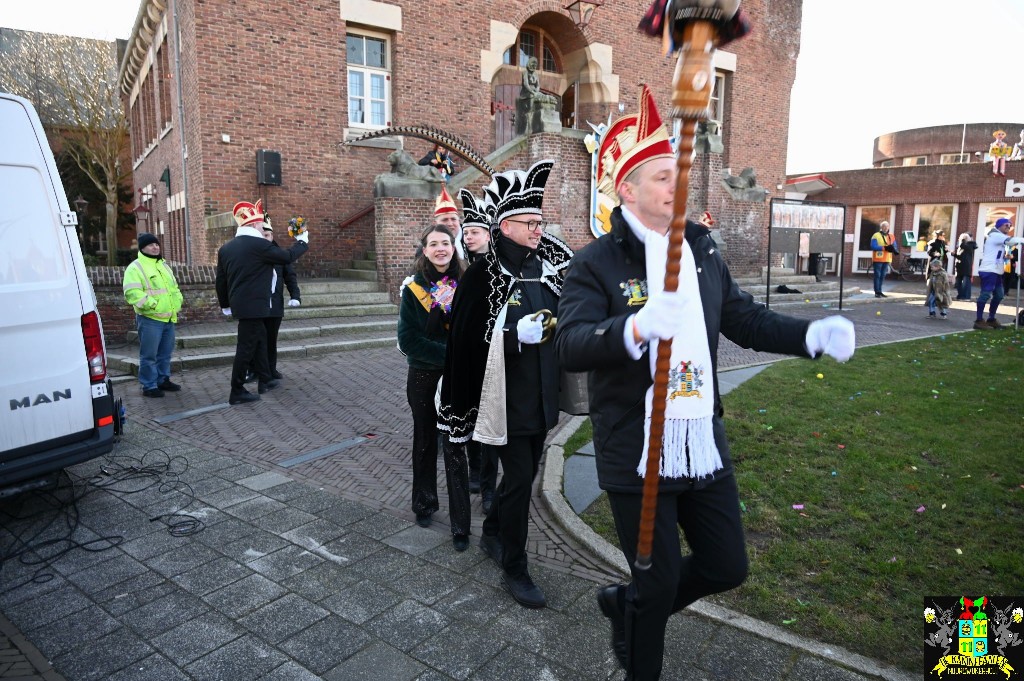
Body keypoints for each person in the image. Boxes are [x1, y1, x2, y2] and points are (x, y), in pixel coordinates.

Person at [553, 85, 856, 680]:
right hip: (636, 450)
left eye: (679, 174)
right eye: (663, 176)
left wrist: (810, 335)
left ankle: (628, 605)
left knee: (726, 566)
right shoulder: (596, 263)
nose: (677, 186)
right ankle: (642, 633)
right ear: (629, 189)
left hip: (700, 440)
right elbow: (570, 345)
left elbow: (743, 318)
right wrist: (633, 328)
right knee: (659, 581)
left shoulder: (700, 248)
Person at [438, 159, 574, 609]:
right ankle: (515, 567)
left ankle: (493, 530)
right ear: (506, 225)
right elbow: (465, 340)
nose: (538, 229)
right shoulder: (482, 274)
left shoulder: (546, 266)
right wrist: (515, 337)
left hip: (540, 395)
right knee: (519, 481)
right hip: (503, 399)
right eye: (529, 222)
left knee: (524, 476)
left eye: (540, 222)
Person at [396, 224, 470, 551]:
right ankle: (424, 504)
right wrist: (451, 355)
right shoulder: (413, 289)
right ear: (424, 250)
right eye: (433, 244)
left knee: (455, 447)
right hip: (424, 377)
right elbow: (408, 340)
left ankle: (461, 525)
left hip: (457, 378)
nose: (440, 249)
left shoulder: (467, 284)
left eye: (446, 243)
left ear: (453, 248)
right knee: (425, 442)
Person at [216, 199, 309, 404]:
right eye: (260, 224)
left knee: (258, 342)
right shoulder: (258, 245)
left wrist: (225, 305)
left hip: (242, 305)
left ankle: (265, 379)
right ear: (252, 225)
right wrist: (302, 241)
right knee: (246, 347)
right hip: (256, 306)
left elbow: (221, 281)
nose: (262, 227)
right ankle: (237, 390)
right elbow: (287, 256)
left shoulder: (226, 248)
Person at [458, 187, 499, 513]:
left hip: (493, 353)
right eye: (465, 232)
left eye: (474, 232)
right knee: (471, 415)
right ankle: (475, 471)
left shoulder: (499, 267)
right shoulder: (461, 267)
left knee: (490, 420)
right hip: (466, 354)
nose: (468, 237)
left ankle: (488, 482)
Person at [122, 233, 183, 397]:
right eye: (151, 245)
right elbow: (132, 293)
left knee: (165, 354)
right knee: (149, 355)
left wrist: (178, 302)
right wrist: (152, 305)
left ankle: (163, 380)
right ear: (142, 248)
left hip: (169, 317)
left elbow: (174, 288)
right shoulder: (135, 268)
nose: (155, 247)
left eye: (156, 244)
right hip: (150, 319)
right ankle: (149, 386)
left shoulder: (164, 265)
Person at [246, 223, 301, 381]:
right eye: (262, 235)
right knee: (254, 339)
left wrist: (295, 296)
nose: (265, 238)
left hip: (274, 305)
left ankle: (271, 369)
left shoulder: (280, 255)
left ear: (272, 236)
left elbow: (290, 277)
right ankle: (253, 370)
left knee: (271, 339)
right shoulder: (252, 253)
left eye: (267, 235)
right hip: (256, 305)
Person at [974, 218, 1023, 330]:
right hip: (989, 270)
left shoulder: (1000, 237)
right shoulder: (996, 235)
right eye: (1006, 225)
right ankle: (979, 320)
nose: (1008, 227)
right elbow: (1011, 241)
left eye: (1010, 226)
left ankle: (991, 319)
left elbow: (1007, 247)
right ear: (999, 225)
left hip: (997, 270)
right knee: (986, 294)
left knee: (999, 295)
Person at [870, 221, 897, 297]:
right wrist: (884, 248)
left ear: (889, 227)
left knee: (883, 276)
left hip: (887, 259)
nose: (885, 228)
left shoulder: (891, 236)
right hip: (878, 259)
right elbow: (873, 246)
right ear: (881, 227)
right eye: (884, 226)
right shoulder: (876, 235)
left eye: (887, 226)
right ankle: (877, 292)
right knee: (877, 275)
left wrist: (894, 249)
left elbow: (895, 246)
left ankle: (880, 290)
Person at [954, 232, 978, 300]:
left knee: (965, 283)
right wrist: (954, 254)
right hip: (959, 266)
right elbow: (960, 256)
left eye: (963, 239)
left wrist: (962, 240)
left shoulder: (970, 245)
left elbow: (963, 246)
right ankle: (960, 295)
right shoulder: (962, 246)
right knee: (958, 282)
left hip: (966, 267)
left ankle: (966, 296)